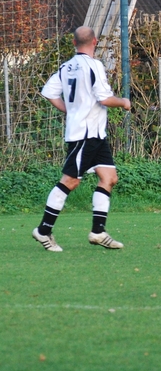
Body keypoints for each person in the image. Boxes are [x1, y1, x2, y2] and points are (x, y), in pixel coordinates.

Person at [32, 26, 131, 251]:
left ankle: (98, 232)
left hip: (96, 134)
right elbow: (105, 99)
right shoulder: (94, 65)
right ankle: (43, 231)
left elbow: (49, 92)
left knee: (109, 177)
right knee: (71, 181)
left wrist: (70, 110)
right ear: (95, 41)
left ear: (74, 43)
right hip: (84, 135)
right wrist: (124, 102)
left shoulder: (66, 66)